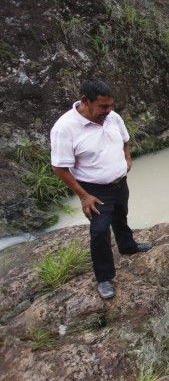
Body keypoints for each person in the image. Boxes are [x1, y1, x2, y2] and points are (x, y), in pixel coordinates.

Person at [50, 80, 151, 299]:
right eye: (103, 107)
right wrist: (84, 196)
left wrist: (127, 158)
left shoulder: (112, 117)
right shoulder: (64, 128)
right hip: (95, 190)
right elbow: (59, 167)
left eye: (111, 106)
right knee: (99, 232)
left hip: (120, 182)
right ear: (85, 101)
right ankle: (104, 277)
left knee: (121, 215)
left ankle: (128, 246)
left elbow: (125, 140)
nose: (109, 111)